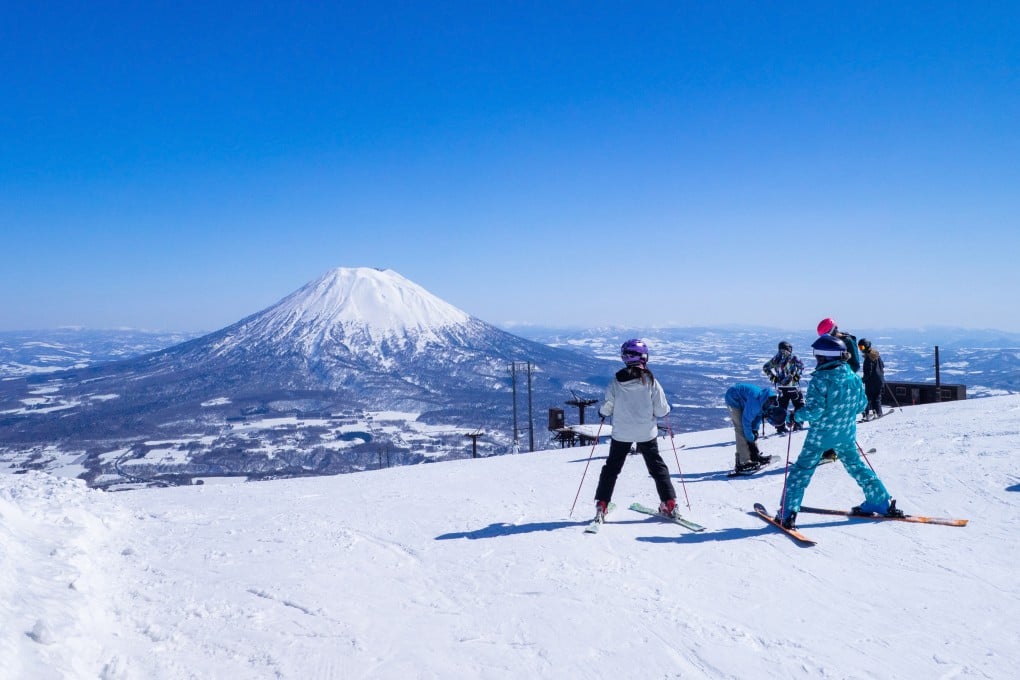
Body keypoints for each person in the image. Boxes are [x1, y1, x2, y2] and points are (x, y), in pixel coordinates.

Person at [773, 334, 904, 528]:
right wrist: (842, 414)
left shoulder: (820, 379)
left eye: (817, 356)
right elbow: (861, 405)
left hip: (821, 436)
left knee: (801, 471)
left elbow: (815, 411)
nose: (816, 359)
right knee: (856, 465)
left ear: (825, 357)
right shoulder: (853, 377)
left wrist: (795, 416)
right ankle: (880, 501)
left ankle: (787, 513)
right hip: (846, 433)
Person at [593, 339, 679, 522]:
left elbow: (608, 407)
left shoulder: (616, 381)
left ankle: (602, 504)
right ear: (644, 357)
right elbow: (662, 410)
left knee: (611, 469)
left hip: (621, 434)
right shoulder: (650, 381)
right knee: (657, 467)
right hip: (646, 433)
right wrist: (666, 409)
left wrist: (602, 412)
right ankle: (669, 503)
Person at [724, 383, 788, 475]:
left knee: (750, 431)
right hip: (733, 398)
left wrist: (754, 430)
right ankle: (743, 462)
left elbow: (757, 417)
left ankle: (753, 455)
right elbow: (746, 421)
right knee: (741, 428)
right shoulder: (756, 404)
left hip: (744, 399)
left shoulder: (768, 403)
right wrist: (750, 436)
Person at [762, 341, 806, 434]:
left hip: (781, 388)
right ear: (789, 348)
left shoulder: (776, 358)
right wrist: (797, 376)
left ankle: (780, 427)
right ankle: (798, 424)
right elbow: (801, 366)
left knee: (782, 407)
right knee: (799, 404)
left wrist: (773, 377)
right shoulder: (793, 357)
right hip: (793, 386)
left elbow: (766, 367)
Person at [858, 338, 886, 420]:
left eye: (862, 347)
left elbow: (868, 372)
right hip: (880, 380)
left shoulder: (868, 359)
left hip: (872, 381)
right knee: (876, 397)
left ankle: (868, 414)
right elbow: (882, 366)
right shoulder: (876, 355)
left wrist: (862, 380)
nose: (861, 350)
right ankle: (879, 412)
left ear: (866, 347)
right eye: (859, 347)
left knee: (867, 398)